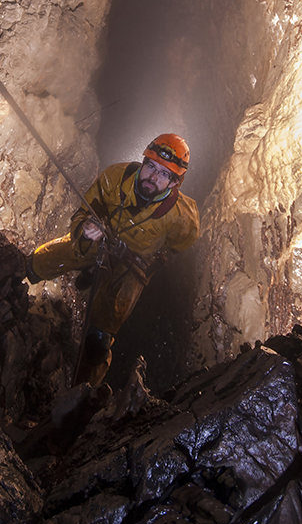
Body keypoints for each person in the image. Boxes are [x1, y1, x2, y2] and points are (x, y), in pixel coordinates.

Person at [28, 134, 200, 386]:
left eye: (164, 174)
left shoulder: (183, 218)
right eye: (151, 166)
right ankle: (23, 271)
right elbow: (84, 212)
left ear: (175, 183)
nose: (152, 177)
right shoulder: (115, 178)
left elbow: (179, 245)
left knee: (101, 333)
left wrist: (151, 253)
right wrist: (85, 229)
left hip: (134, 264)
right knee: (61, 251)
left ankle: (85, 390)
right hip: (103, 239)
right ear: (142, 162)